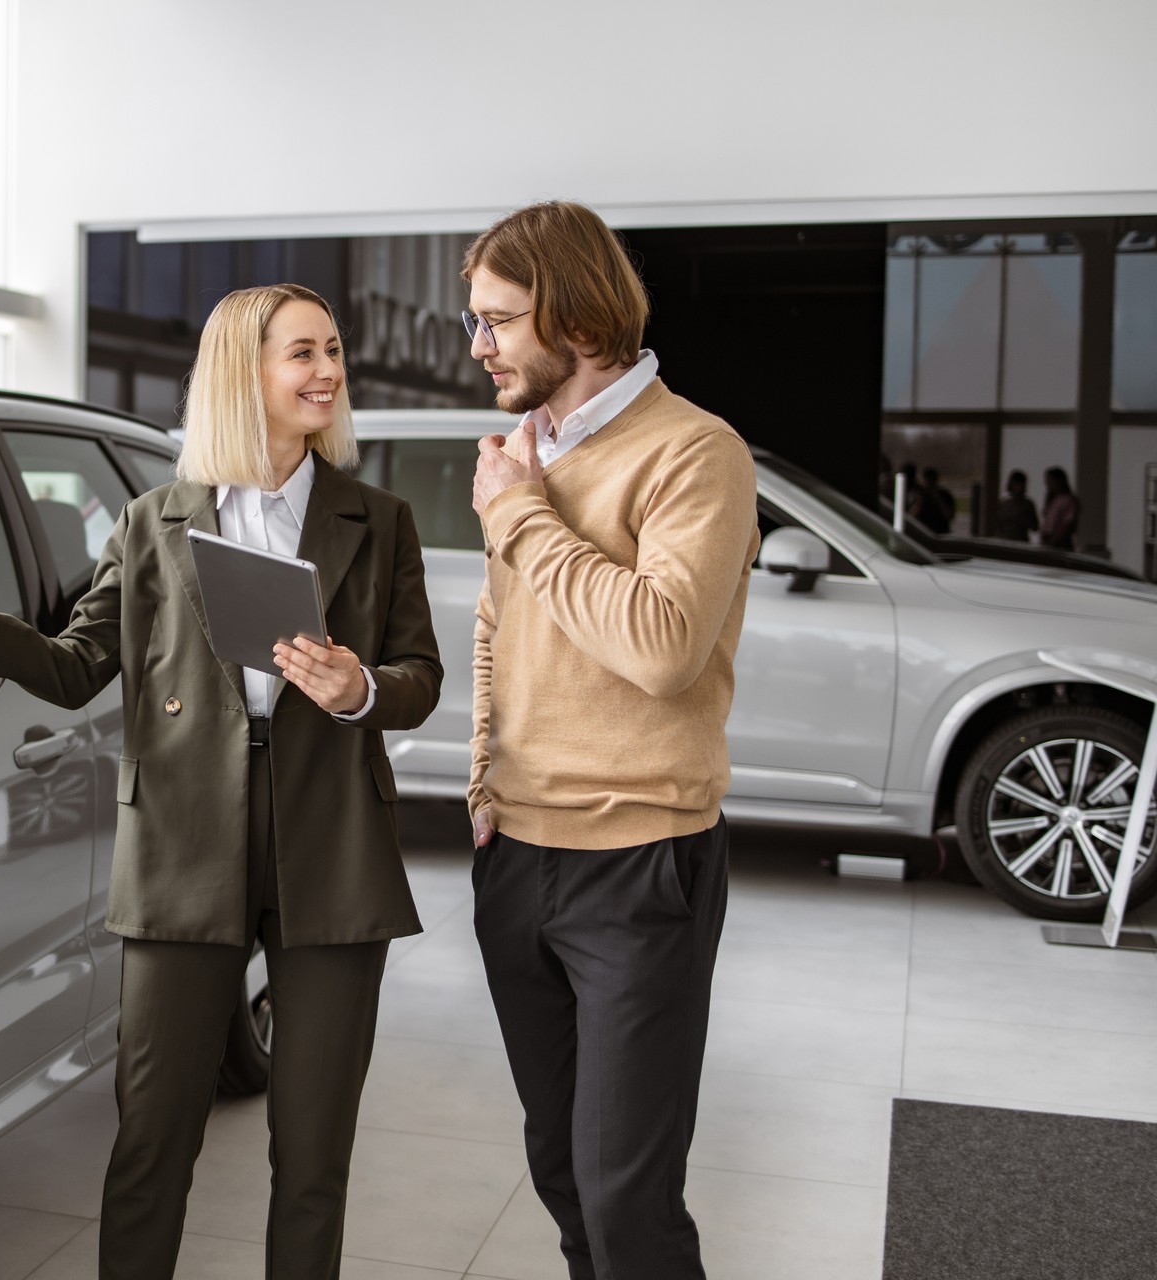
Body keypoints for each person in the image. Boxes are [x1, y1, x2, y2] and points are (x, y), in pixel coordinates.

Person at [0, 283, 442, 1280]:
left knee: (314, 1156)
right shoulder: (155, 519)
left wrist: (358, 685)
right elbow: (74, 663)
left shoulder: (377, 520)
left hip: (332, 842)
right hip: (180, 841)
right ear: (242, 372)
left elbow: (418, 680)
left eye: (332, 350)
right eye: (303, 353)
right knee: (151, 1142)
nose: (329, 372)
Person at [462, 201, 759, 1280]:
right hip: (519, 858)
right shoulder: (524, 455)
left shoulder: (695, 452)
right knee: (561, 1173)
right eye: (474, 322)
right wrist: (486, 783)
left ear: (579, 321)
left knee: (629, 1200)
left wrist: (521, 517)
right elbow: (498, 630)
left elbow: (663, 644)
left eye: (499, 320)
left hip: (641, 867)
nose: (481, 345)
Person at [993, 469, 1039, 542]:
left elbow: (1035, 527)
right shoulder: (1003, 504)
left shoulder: (1027, 504)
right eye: (1016, 485)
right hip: (1003, 541)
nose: (1018, 488)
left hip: (1020, 542)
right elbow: (997, 525)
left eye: (1021, 485)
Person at [1041, 466, 1080, 550]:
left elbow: (1068, 523)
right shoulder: (1052, 500)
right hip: (1048, 538)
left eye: (1051, 482)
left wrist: (1054, 540)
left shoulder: (1068, 500)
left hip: (1060, 541)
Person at [919, 466, 956, 534]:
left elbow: (949, 515)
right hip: (922, 532)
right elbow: (910, 518)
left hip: (940, 532)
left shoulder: (945, 495)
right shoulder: (920, 495)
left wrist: (938, 499)